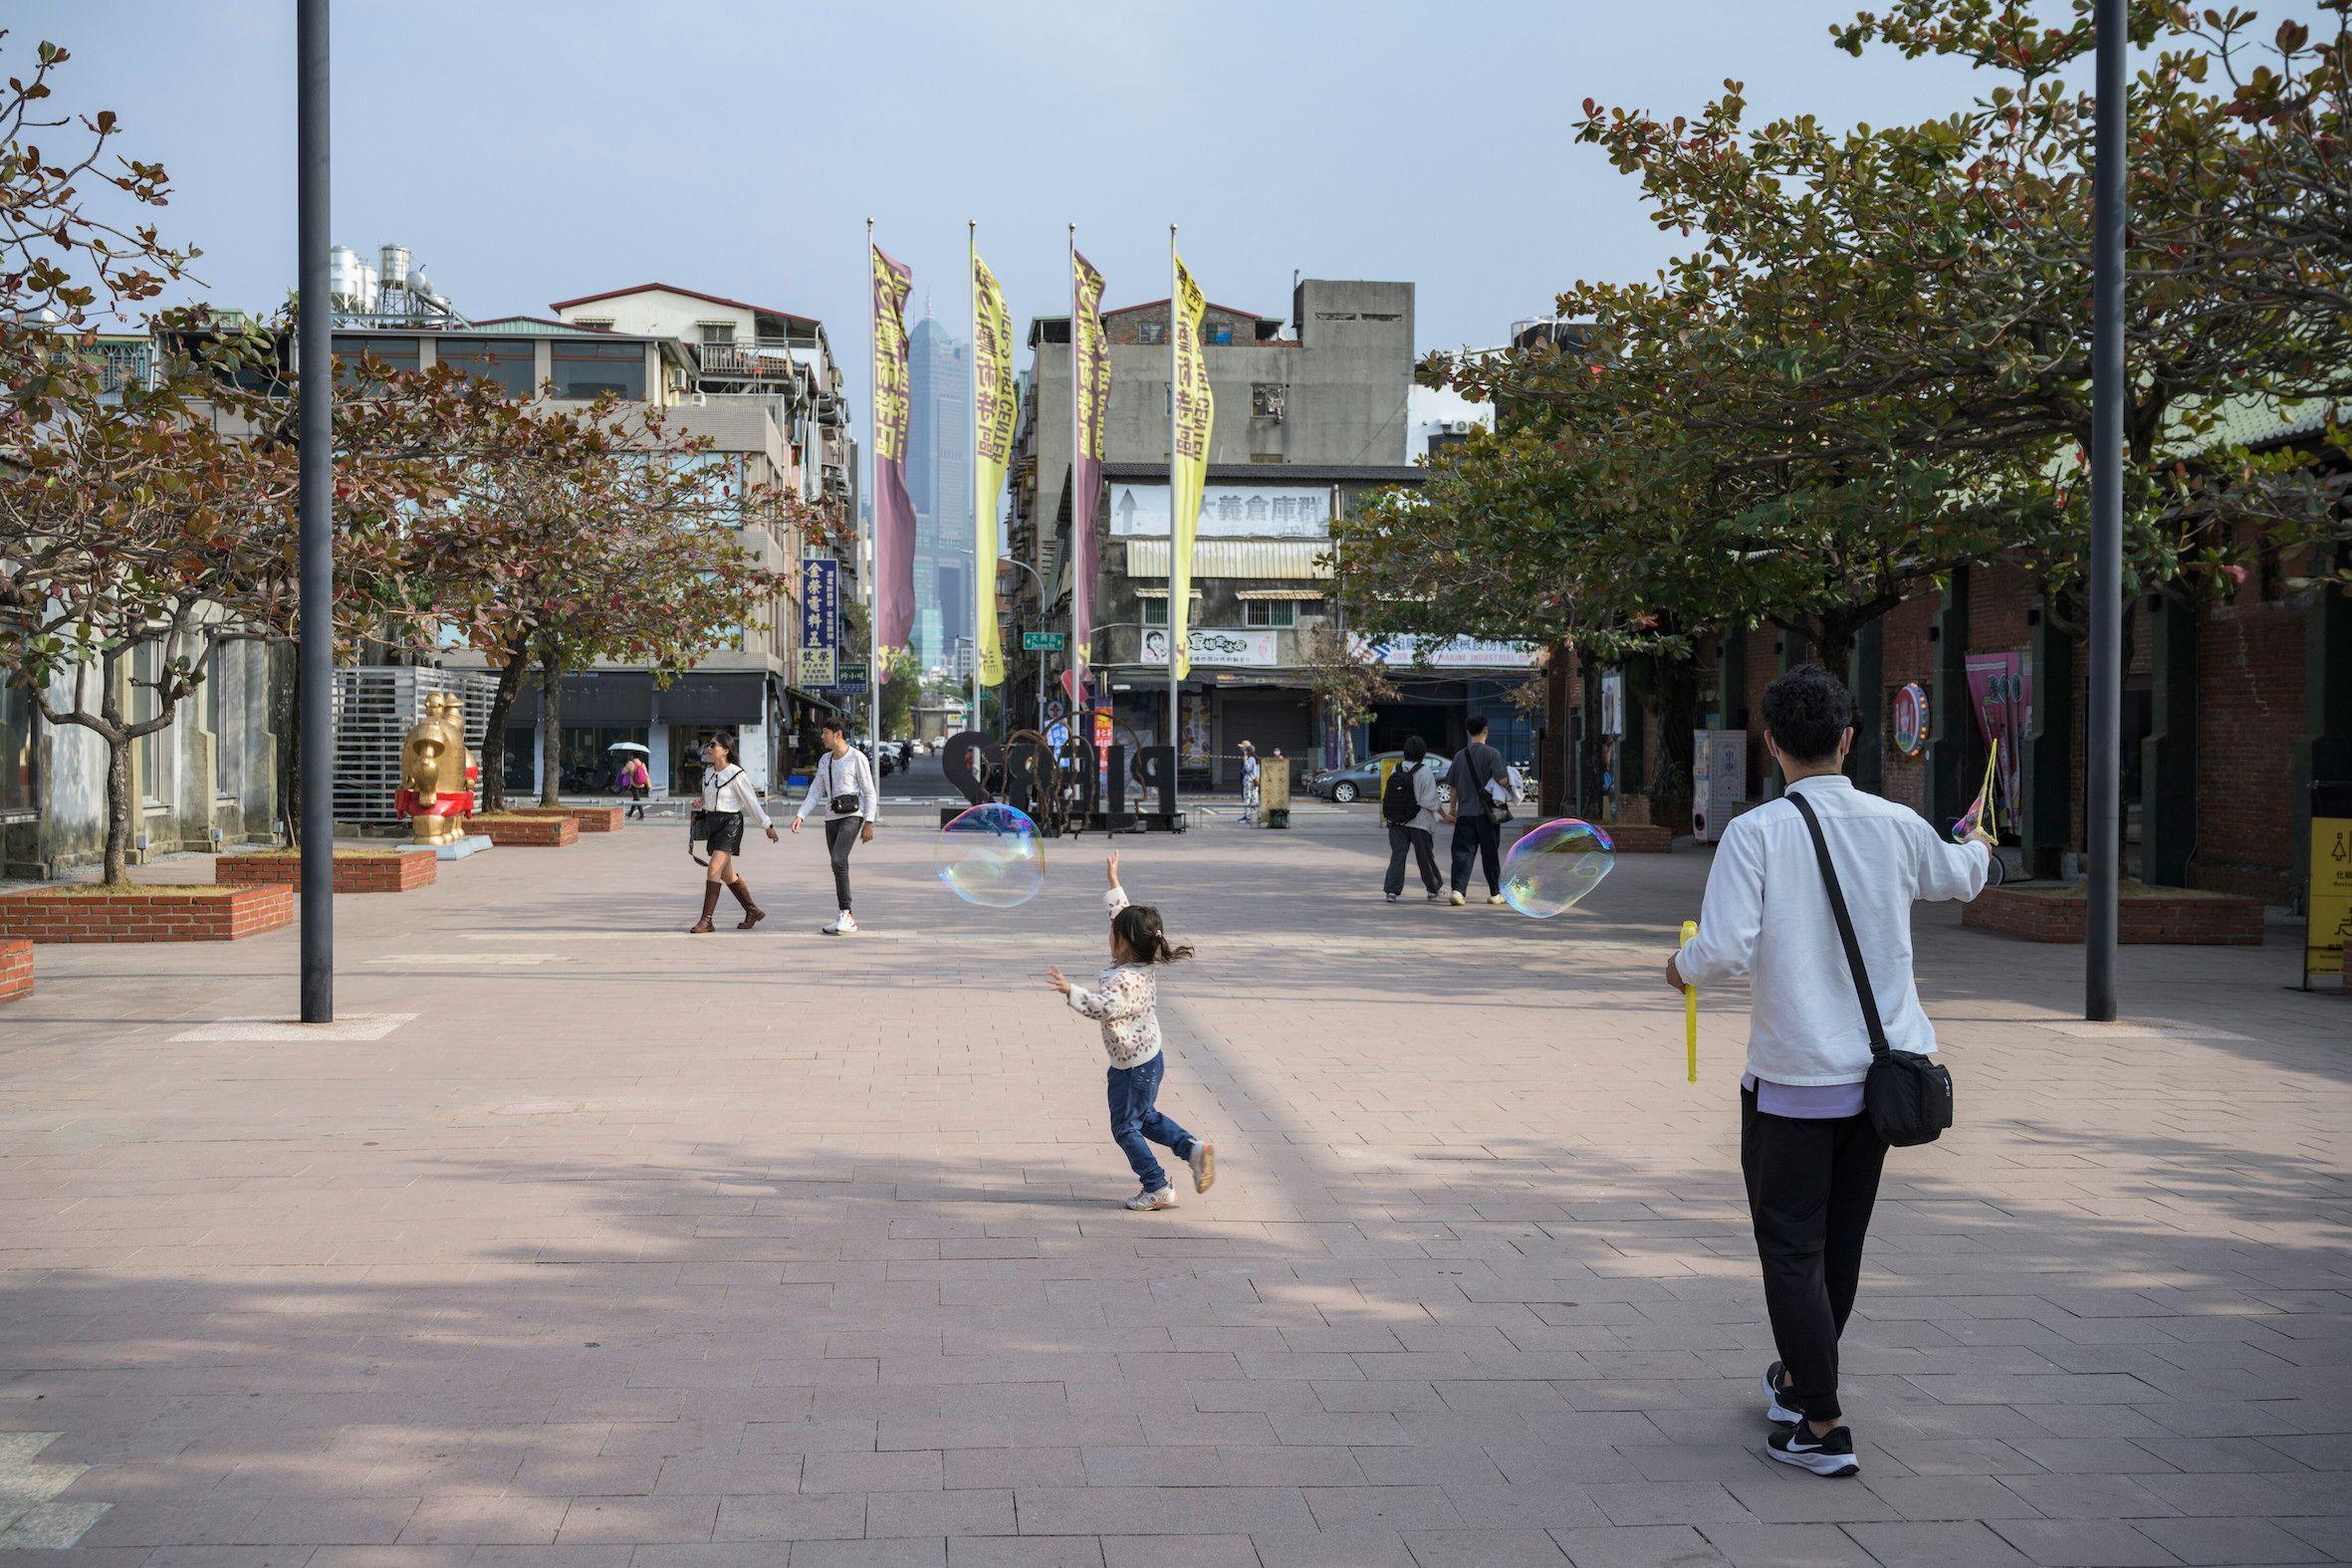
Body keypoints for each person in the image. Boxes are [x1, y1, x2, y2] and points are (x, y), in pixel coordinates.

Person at [1668, 664, 1991, 1479]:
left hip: (1794, 1082)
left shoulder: (1757, 832)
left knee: (1789, 1246)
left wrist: (1679, 967)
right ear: (1849, 738)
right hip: (1882, 1083)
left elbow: (1725, 948)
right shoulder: (1895, 822)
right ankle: (1800, 1382)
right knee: (1836, 1245)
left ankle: (1821, 1421)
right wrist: (1979, 838)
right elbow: (1960, 876)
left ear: (1772, 742)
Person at [1047, 850, 1217, 1211]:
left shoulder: (1124, 978)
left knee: (1125, 1128)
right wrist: (1113, 882)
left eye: (1114, 932)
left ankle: (1156, 1185)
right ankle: (1192, 1148)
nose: (1110, 934)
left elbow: (1105, 1009)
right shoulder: (1139, 959)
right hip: (1148, 1059)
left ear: (1124, 942)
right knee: (1145, 1117)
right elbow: (1122, 917)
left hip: (1131, 1067)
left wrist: (1071, 991)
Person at [794, 719, 877, 935]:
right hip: (831, 818)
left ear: (837, 734)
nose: (822, 737)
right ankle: (845, 914)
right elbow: (815, 791)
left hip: (852, 816)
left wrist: (869, 822)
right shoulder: (825, 760)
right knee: (838, 865)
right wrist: (800, 815)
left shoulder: (857, 757)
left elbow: (869, 791)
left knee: (838, 860)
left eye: (825, 732)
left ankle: (847, 914)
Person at [688, 733, 776, 934]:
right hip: (713, 823)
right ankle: (752, 910)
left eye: (713, 745)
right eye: (708, 745)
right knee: (728, 875)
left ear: (726, 750)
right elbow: (707, 797)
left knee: (713, 869)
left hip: (731, 825)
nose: (708, 748)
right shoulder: (708, 772)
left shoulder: (737, 774)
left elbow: (751, 803)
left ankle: (706, 920)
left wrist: (767, 826)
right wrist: (701, 802)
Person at [1443, 717, 1509, 906]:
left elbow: (1453, 786)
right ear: (1485, 730)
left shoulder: (1459, 756)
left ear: (1467, 732)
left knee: (1462, 853)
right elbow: (1502, 781)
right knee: (1490, 854)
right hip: (1488, 815)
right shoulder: (1493, 754)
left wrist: (1452, 808)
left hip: (1465, 814)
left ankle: (1458, 891)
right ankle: (1495, 893)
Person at [1379, 735, 1444, 903]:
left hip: (1396, 821)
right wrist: (1445, 815)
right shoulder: (1425, 771)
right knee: (1425, 857)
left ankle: (1391, 892)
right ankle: (1433, 889)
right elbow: (1431, 801)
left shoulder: (1397, 768)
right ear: (1422, 752)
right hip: (1419, 822)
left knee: (1398, 856)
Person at [619, 754, 650, 820]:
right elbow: (646, 775)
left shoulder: (630, 763)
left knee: (637, 799)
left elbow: (623, 772)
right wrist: (649, 786)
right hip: (641, 784)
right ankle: (630, 814)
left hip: (634, 784)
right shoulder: (642, 764)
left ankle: (642, 815)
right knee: (636, 799)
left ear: (632, 756)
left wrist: (626, 766)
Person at [1239, 741, 1260, 822]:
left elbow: (1248, 769)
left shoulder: (1250, 758)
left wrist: (1245, 761)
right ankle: (1258, 816)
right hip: (1254, 781)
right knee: (1255, 799)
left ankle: (1248, 817)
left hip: (1249, 782)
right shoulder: (1256, 758)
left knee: (1247, 799)